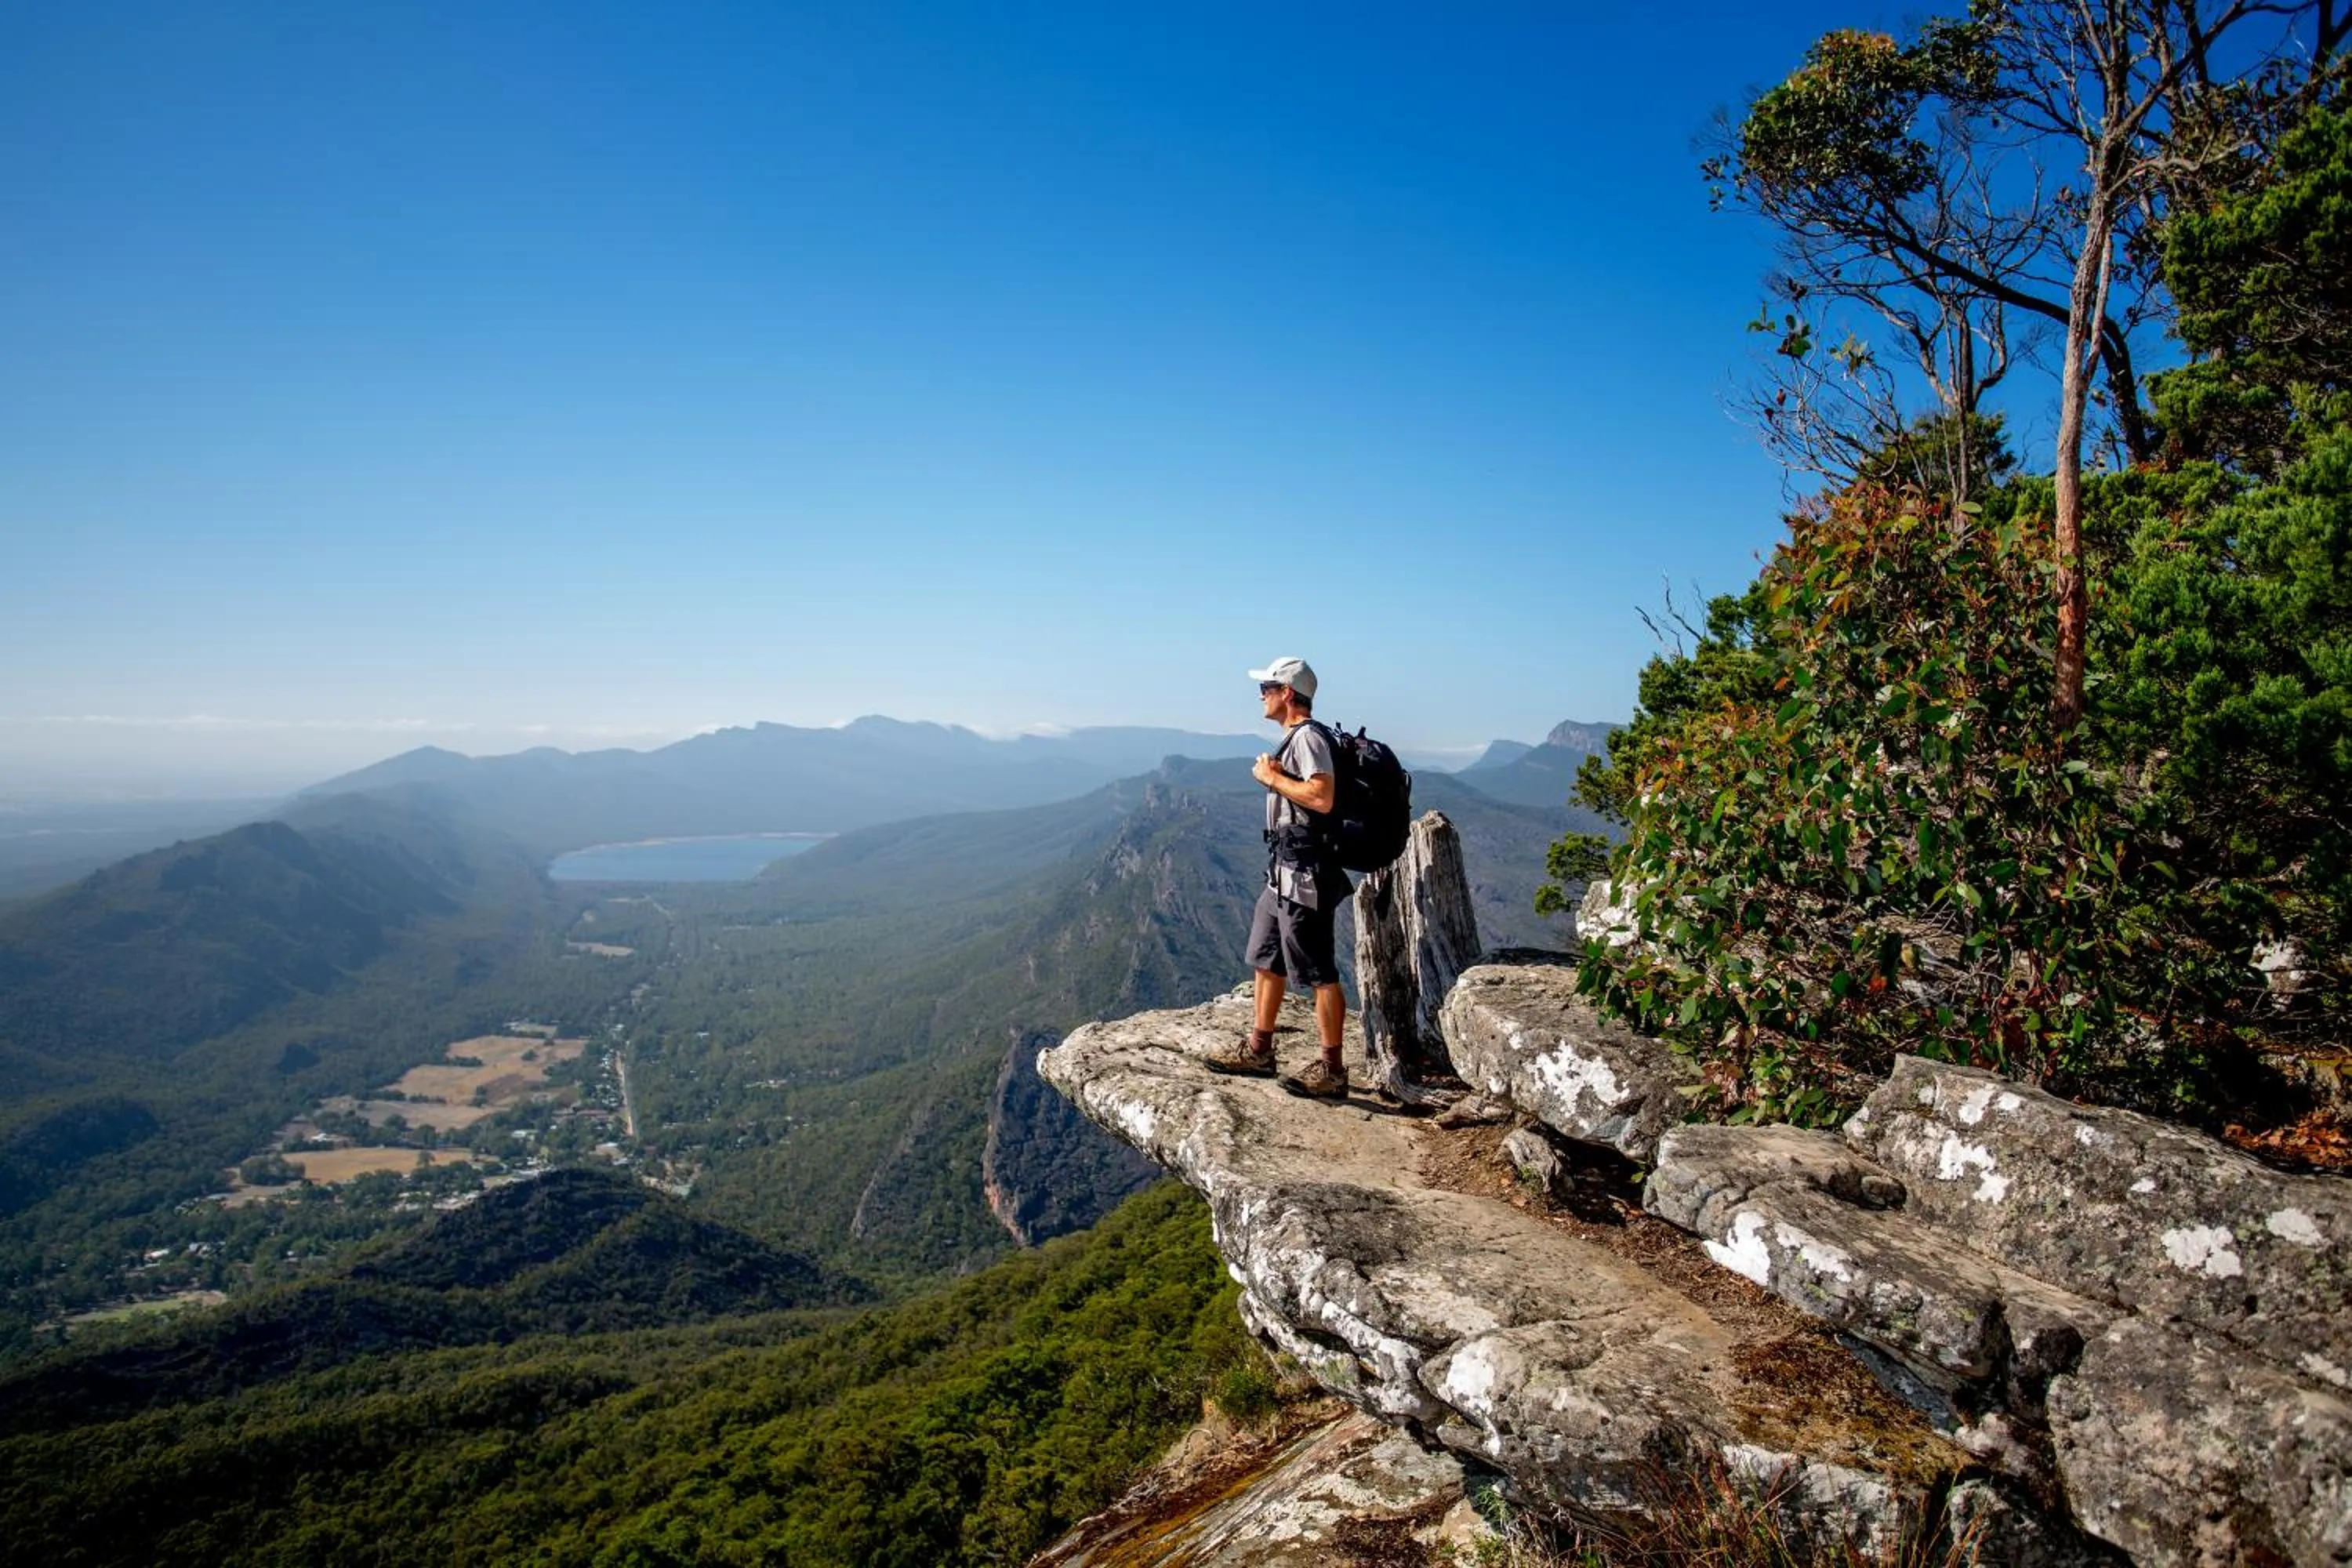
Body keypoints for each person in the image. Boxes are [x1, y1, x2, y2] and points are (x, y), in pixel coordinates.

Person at [1205, 656, 1352, 1098]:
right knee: (1267, 958)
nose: (1262, 695)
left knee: (1320, 971)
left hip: (1305, 875)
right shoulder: (1295, 740)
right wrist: (1277, 776)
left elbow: (1322, 798)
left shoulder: (1308, 738)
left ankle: (1332, 1069)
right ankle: (1260, 1050)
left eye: (1267, 687)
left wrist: (1272, 778)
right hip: (1281, 873)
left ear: (1287, 693)